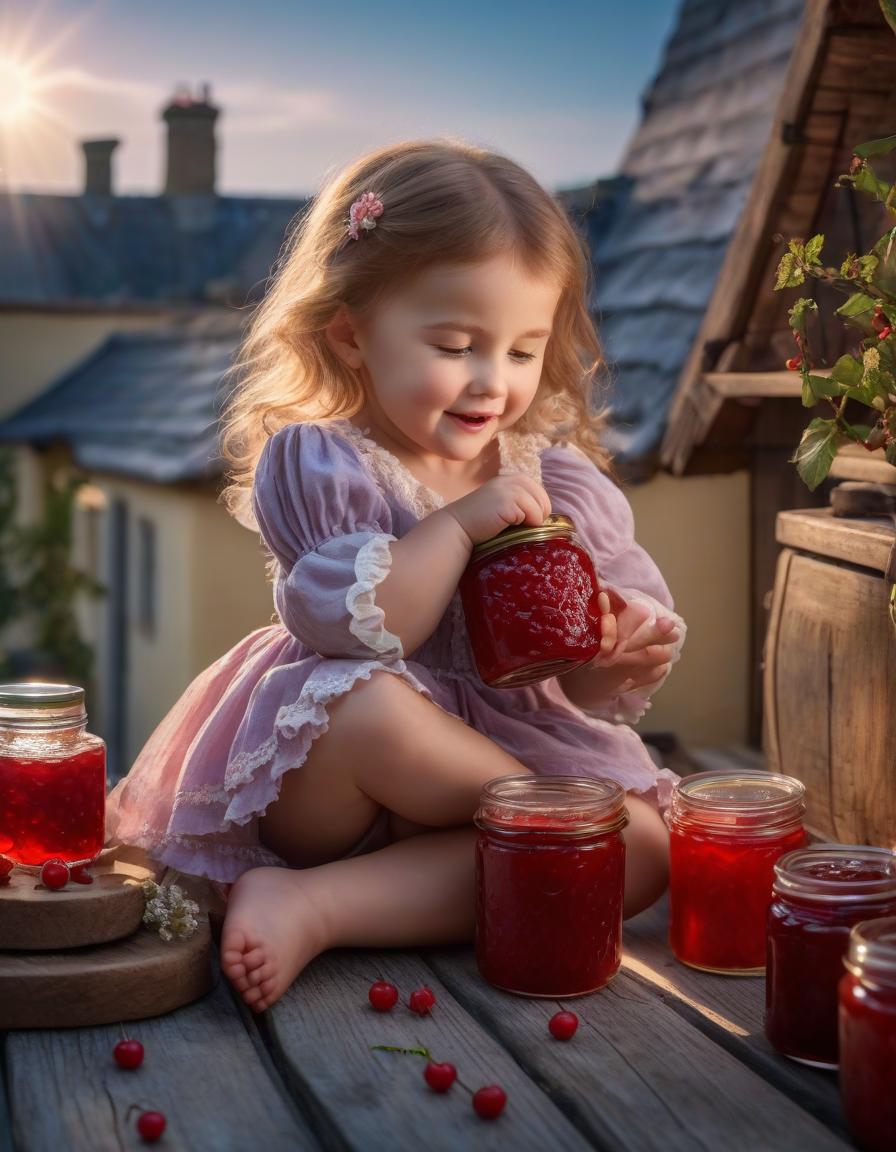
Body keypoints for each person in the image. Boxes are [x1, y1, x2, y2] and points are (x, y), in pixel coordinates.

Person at [104, 138, 686, 1014]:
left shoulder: (553, 478)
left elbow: (583, 672)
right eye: (456, 344)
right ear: (351, 332)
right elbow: (368, 628)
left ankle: (321, 906)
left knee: (634, 844)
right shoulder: (325, 461)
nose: (492, 381)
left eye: (524, 351)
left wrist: (617, 647)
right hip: (344, 786)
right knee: (375, 705)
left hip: (492, 776)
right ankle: (533, 819)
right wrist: (457, 524)